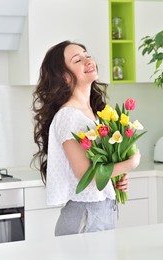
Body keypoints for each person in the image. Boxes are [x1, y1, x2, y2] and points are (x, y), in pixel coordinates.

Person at [32, 40, 141, 236]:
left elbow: (100, 170)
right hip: (85, 218)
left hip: (101, 214)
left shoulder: (95, 113)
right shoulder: (69, 116)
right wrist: (131, 163)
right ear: (65, 77)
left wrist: (116, 179)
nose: (87, 60)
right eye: (77, 60)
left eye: (87, 55)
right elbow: (87, 176)